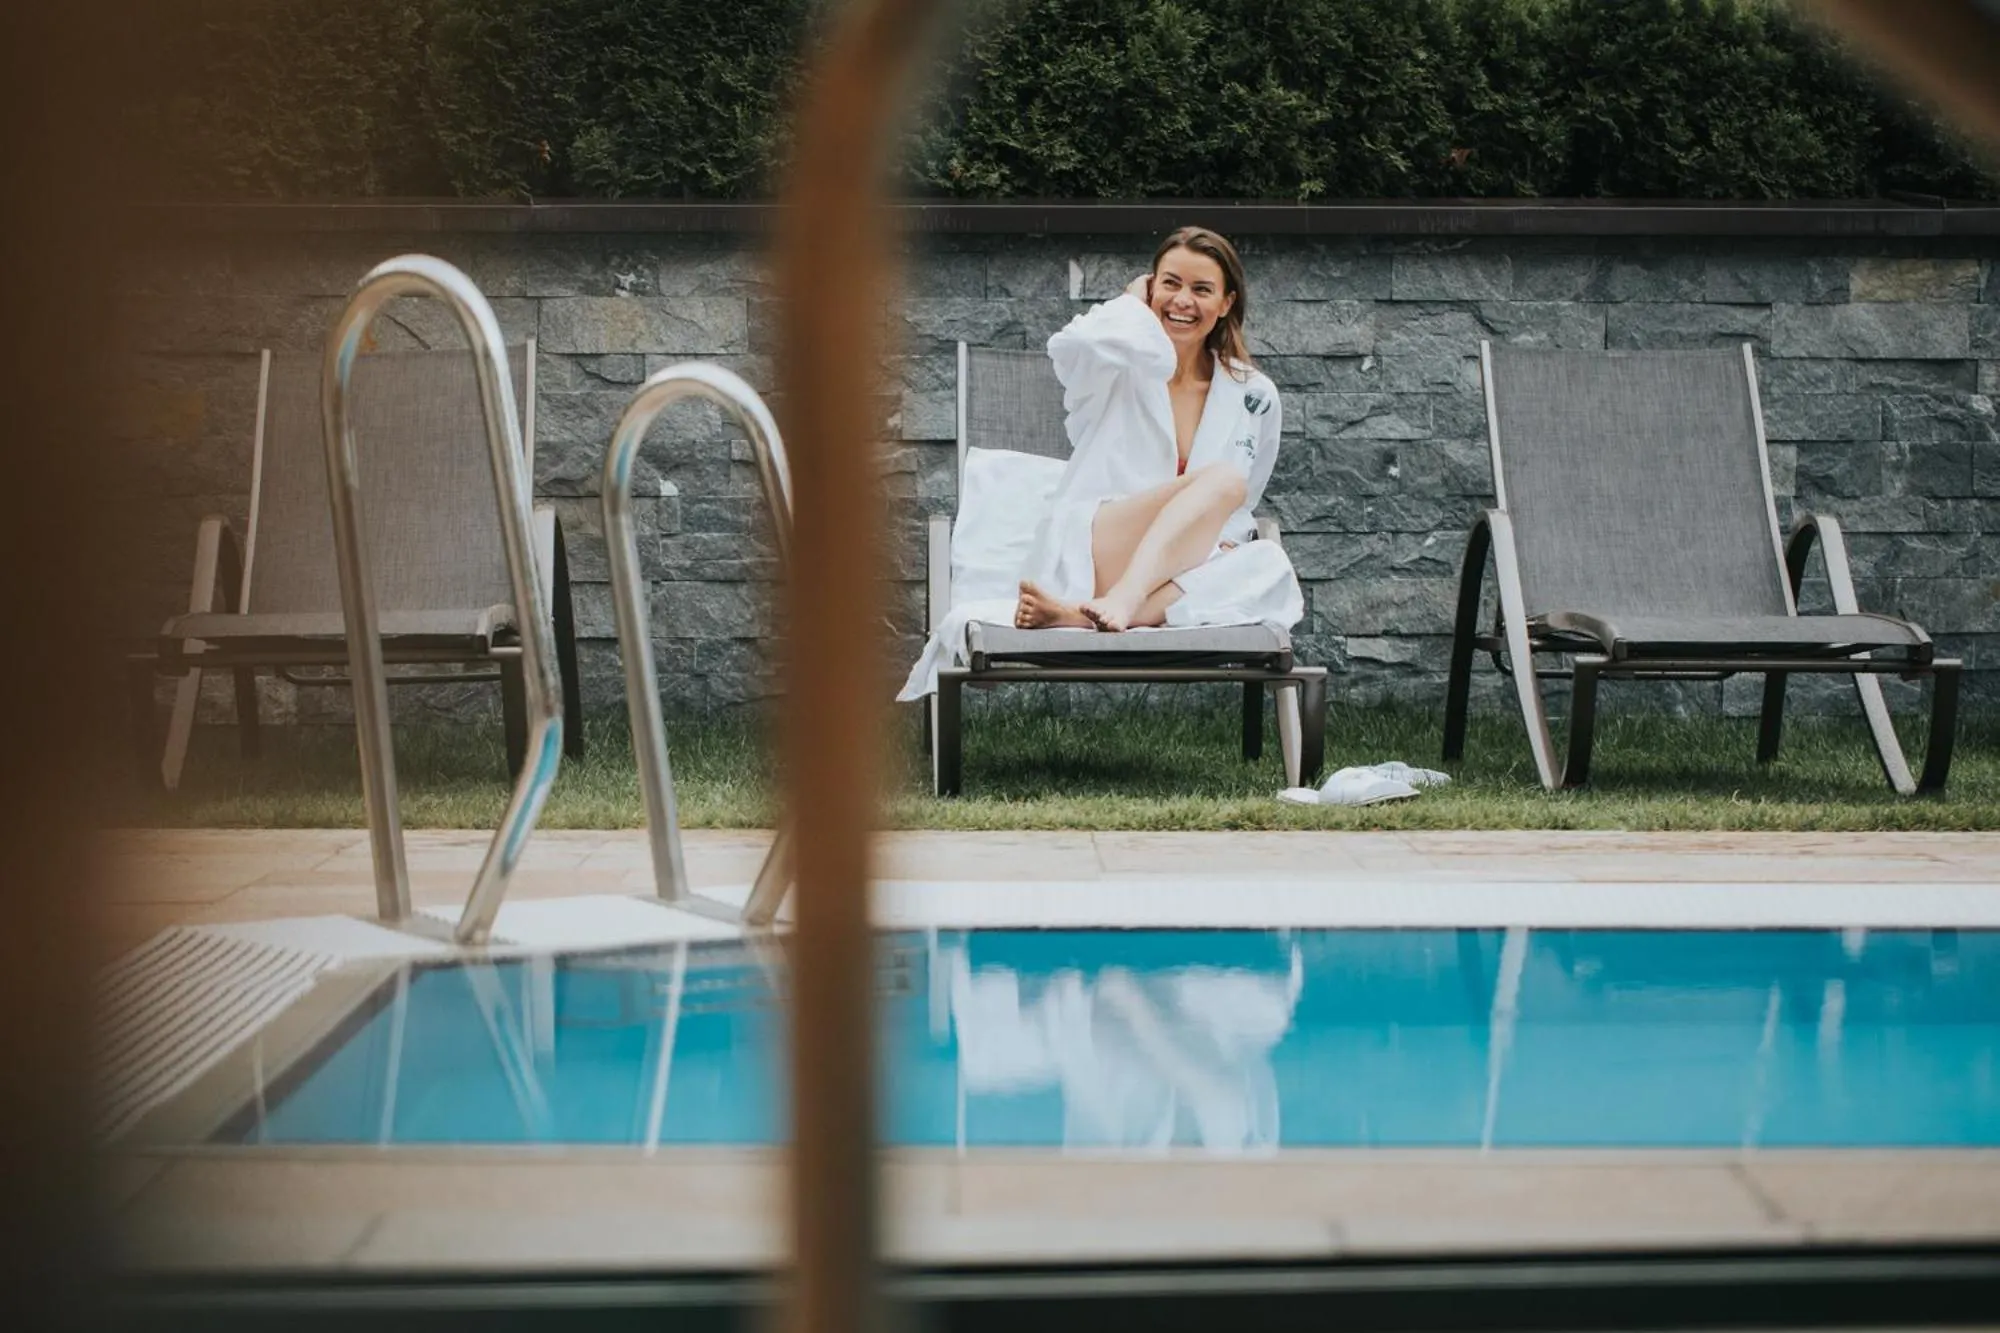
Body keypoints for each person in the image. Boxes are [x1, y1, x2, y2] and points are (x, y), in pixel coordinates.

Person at [1014, 225, 1303, 635]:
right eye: (1170, 283)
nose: (1182, 300)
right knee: (1224, 478)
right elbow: (1071, 345)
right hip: (1101, 549)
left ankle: (1082, 614)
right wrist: (1131, 303)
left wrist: (1229, 543)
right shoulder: (1116, 367)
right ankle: (1125, 596)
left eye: (1202, 289)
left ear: (1226, 303)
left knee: (1269, 562)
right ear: (1151, 289)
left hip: (1180, 564)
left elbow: (1240, 503)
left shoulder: (1254, 394)